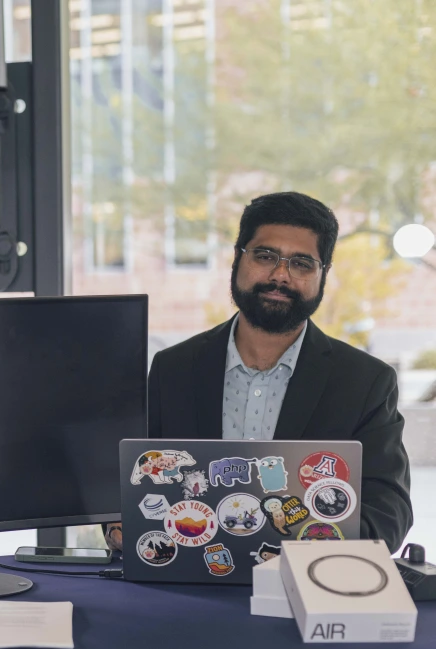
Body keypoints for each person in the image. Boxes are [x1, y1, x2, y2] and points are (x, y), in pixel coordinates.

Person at [105, 191, 413, 553]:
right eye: (265, 256)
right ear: (237, 259)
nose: (280, 275)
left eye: (302, 263)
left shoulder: (365, 382)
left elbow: (388, 512)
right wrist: (116, 524)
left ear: (323, 275)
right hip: (189, 587)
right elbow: (132, 481)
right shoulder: (173, 368)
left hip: (306, 590)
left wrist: (313, 545)